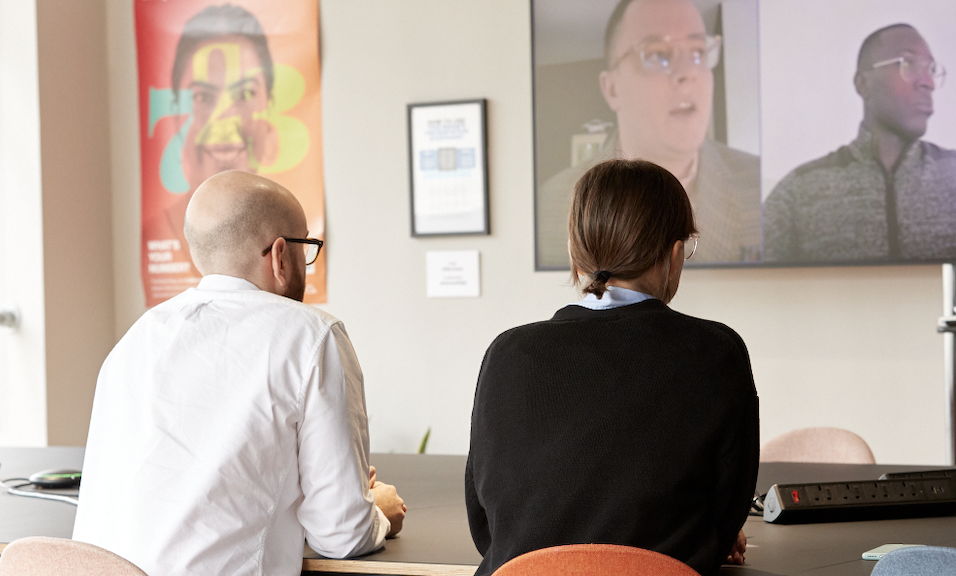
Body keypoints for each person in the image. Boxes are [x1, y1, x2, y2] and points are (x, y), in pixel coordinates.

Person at [74, 171, 405, 576]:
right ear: (280, 255)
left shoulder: (137, 338)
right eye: (308, 247)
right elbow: (342, 534)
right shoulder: (311, 336)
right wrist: (378, 511)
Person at [467, 159, 759, 576]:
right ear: (675, 255)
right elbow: (726, 511)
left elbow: (487, 526)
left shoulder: (507, 353)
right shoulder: (715, 352)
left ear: (574, 254)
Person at [536, 0, 761, 268]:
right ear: (612, 89)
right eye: (657, 55)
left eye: (698, 51)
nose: (687, 73)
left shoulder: (762, 190)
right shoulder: (552, 206)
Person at [763, 23, 956, 262]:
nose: (929, 82)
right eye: (908, 63)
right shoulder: (797, 193)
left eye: (931, 69)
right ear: (863, 84)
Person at [144, 4, 282, 302]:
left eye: (244, 94)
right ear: (178, 112)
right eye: (203, 97)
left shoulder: (294, 234)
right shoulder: (151, 230)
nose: (224, 119)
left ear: (268, 107)